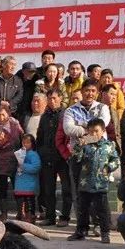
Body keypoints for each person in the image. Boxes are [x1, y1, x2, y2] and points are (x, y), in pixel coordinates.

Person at [67, 117, 119, 244]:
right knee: (82, 209)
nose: (94, 134)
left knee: (102, 210)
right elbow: (76, 158)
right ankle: (81, 231)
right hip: (85, 183)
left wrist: (108, 168)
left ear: (102, 131)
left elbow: (116, 160)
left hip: (101, 184)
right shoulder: (86, 145)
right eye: (91, 132)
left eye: (96, 131)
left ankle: (105, 233)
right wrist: (79, 146)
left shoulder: (109, 146)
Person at [36, 88, 71, 226]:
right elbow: (40, 137)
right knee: (48, 189)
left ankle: (65, 217)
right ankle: (50, 217)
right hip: (47, 158)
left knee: (66, 188)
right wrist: (41, 151)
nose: (52, 101)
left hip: (63, 157)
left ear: (61, 98)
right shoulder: (44, 116)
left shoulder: (66, 114)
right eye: (49, 98)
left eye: (54, 98)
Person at [0, 104, 22, 220]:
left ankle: (20, 212)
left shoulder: (15, 125)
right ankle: (4, 213)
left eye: (3, 114)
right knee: (1, 188)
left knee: (17, 187)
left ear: (8, 114)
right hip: (1, 160)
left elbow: (22, 138)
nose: (1, 117)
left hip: (14, 159)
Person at [13, 134, 41, 222]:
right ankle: (21, 214)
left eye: (28, 143)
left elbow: (36, 167)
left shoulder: (33, 154)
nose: (25, 144)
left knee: (29, 201)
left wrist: (23, 166)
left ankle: (30, 215)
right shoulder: (20, 153)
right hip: (20, 182)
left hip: (29, 183)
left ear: (32, 143)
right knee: (20, 201)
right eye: (23, 142)